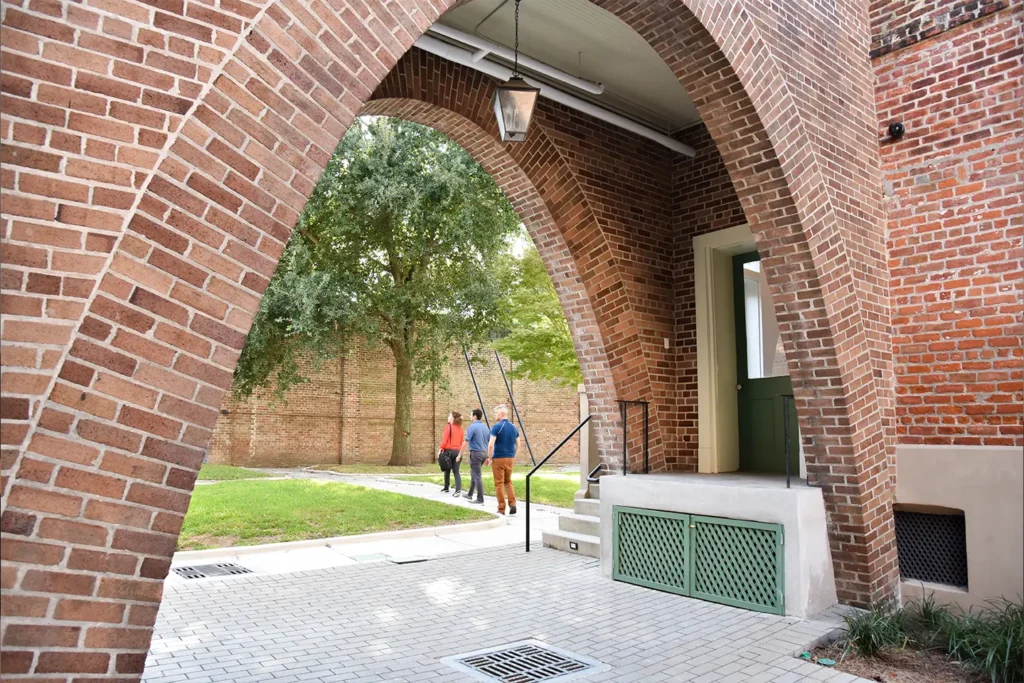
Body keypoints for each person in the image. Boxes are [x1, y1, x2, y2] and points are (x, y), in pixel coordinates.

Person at [486, 404, 521, 515]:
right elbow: (518, 445)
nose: (495, 415)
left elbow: (491, 445)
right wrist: (513, 456)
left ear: (501, 413)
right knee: (508, 481)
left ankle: (501, 508)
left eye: (496, 413)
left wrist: (489, 457)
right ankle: (513, 504)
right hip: (510, 458)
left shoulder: (496, 427)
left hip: (498, 458)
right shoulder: (514, 427)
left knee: (499, 483)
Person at [461, 409, 489, 505]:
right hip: (484, 453)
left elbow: (466, 441)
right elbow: (488, 442)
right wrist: (488, 457)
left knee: (477, 475)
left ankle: (480, 498)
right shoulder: (485, 428)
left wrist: (459, 453)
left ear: (475, 416)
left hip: (476, 453)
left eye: (470, 415)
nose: (470, 416)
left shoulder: (472, 427)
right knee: (474, 472)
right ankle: (470, 494)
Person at [438, 411, 464, 495]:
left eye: (449, 416)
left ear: (452, 418)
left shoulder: (448, 426)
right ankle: (458, 489)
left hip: (448, 450)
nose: (447, 417)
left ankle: (446, 487)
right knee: (456, 471)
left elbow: (444, 439)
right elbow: (461, 441)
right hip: (457, 451)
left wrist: (441, 448)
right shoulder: (461, 428)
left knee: (447, 468)